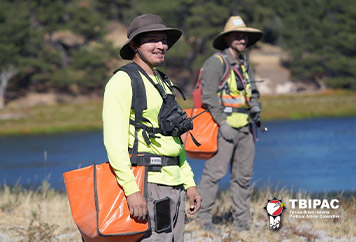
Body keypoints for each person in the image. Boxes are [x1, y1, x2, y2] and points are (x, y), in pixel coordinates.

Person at [102, 14, 201, 241]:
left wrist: (189, 183)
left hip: (174, 184)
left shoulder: (163, 81)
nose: (161, 46)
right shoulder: (122, 81)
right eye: (152, 40)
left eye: (164, 40)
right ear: (135, 45)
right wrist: (131, 190)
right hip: (149, 185)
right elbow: (114, 143)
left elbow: (175, 139)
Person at [196, 15, 263, 232]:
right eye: (237, 35)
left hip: (246, 128)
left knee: (243, 178)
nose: (242, 39)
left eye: (244, 36)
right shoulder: (216, 63)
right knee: (213, 174)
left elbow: (252, 91)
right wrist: (223, 123)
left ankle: (242, 222)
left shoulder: (244, 63)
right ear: (227, 39)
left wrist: (255, 106)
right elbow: (208, 96)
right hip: (222, 128)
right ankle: (203, 220)